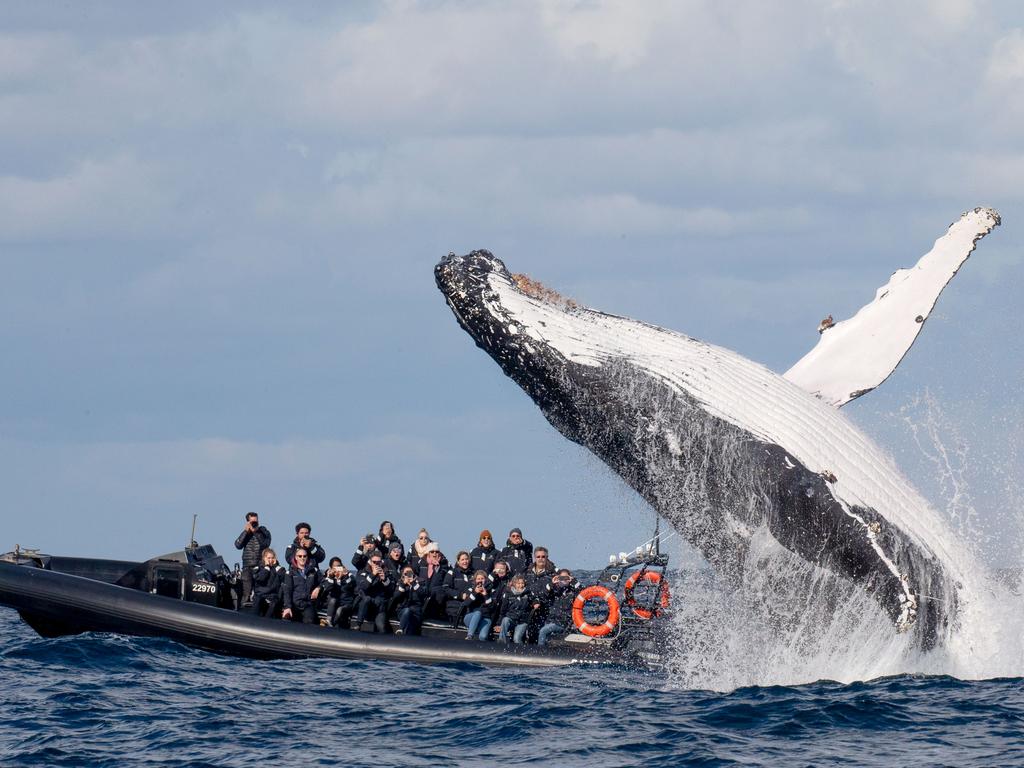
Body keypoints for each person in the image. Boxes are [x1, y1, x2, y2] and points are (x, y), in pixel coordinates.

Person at [234, 512, 271, 606]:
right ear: (248, 522)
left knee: (260, 592)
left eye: (256, 521)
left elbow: (265, 545)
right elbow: (238, 545)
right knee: (246, 592)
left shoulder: (263, 531)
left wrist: (256, 532)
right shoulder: (246, 533)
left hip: (260, 565)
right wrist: (246, 532)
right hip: (247, 566)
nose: (254, 523)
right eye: (252, 522)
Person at [537, 569, 582, 646]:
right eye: (562, 578)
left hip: (563, 622)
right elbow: (542, 596)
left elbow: (583, 593)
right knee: (544, 634)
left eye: (566, 578)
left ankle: (540, 653)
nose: (564, 580)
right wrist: (551, 584)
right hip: (550, 620)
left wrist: (574, 582)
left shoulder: (572, 591)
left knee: (543, 631)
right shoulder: (554, 590)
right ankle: (545, 651)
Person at [355, 551, 393, 633]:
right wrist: (372, 574)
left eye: (378, 562)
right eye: (374, 562)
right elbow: (363, 586)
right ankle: (358, 624)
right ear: (370, 562)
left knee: (382, 628)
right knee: (366, 599)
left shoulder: (386, 572)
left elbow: (391, 590)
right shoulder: (363, 571)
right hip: (367, 606)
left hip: (379, 607)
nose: (376, 564)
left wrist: (385, 579)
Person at [282, 548, 321, 624]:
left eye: (304, 556)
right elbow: (287, 591)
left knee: (310, 620)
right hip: (294, 605)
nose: (302, 558)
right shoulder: (290, 573)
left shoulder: (313, 571)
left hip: (307, 604)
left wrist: (318, 588)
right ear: (296, 557)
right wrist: (287, 607)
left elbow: (324, 581)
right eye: (300, 556)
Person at [389, 565, 426, 636]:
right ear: (403, 574)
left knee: (411, 625)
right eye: (406, 573)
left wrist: (413, 583)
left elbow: (423, 594)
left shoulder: (421, 582)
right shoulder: (400, 582)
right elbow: (395, 597)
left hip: (416, 612)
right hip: (402, 611)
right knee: (407, 611)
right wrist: (403, 585)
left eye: (410, 573)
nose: (408, 575)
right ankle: (401, 630)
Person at [320, 557, 357, 629]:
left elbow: (352, 584)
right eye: (335, 567)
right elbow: (328, 588)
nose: (337, 568)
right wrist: (331, 577)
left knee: (340, 609)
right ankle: (329, 621)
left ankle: (331, 624)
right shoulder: (329, 576)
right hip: (334, 602)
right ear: (331, 568)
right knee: (333, 601)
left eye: (339, 566)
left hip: (346, 603)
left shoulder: (348, 575)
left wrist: (344, 576)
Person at [462, 569, 499, 641]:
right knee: (478, 613)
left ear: (486, 580)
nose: (480, 580)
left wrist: (485, 595)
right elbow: (466, 603)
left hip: (485, 618)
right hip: (471, 617)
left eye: (482, 578)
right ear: (475, 580)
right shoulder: (471, 589)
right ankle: (470, 636)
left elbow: (492, 607)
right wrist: (475, 593)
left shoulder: (492, 591)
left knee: (483, 637)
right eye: (478, 579)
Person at [497, 574, 533, 644]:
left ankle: (520, 652)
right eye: (518, 583)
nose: (521, 585)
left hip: (522, 622)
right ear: (514, 584)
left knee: (516, 639)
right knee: (505, 619)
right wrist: (499, 624)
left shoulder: (528, 593)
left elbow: (534, 599)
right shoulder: (508, 594)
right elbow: (503, 610)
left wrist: (536, 602)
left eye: (522, 583)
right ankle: (501, 643)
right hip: (511, 620)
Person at [442, 551, 475, 627]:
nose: (465, 561)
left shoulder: (473, 574)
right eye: (462, 560)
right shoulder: (452, 572)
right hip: (454, 608)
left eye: (466, 559)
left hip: (469, 608)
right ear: (458, 561)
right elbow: (445, 588)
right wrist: (460, 595)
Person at [251, 547, 286, 618]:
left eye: (272, 558)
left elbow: (283, 577)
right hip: (261, 595)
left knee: (274, 604)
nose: (270, 560)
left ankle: (267, 622)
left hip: (273, 596)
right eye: (268, 558)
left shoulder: (279, 569)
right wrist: (266, 568)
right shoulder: (258, 569)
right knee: (258, 601)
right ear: (264, 558)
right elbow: (260, 578)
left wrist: (276, 566)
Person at [417, 544, 448, 620]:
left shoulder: (444, 565)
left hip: (436, 600)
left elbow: (444, 583)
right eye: (432, 551)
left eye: (437, 552)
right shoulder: (421, 564)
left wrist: (438, 568)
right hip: (422, 596)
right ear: (428, 553)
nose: (434, 554)